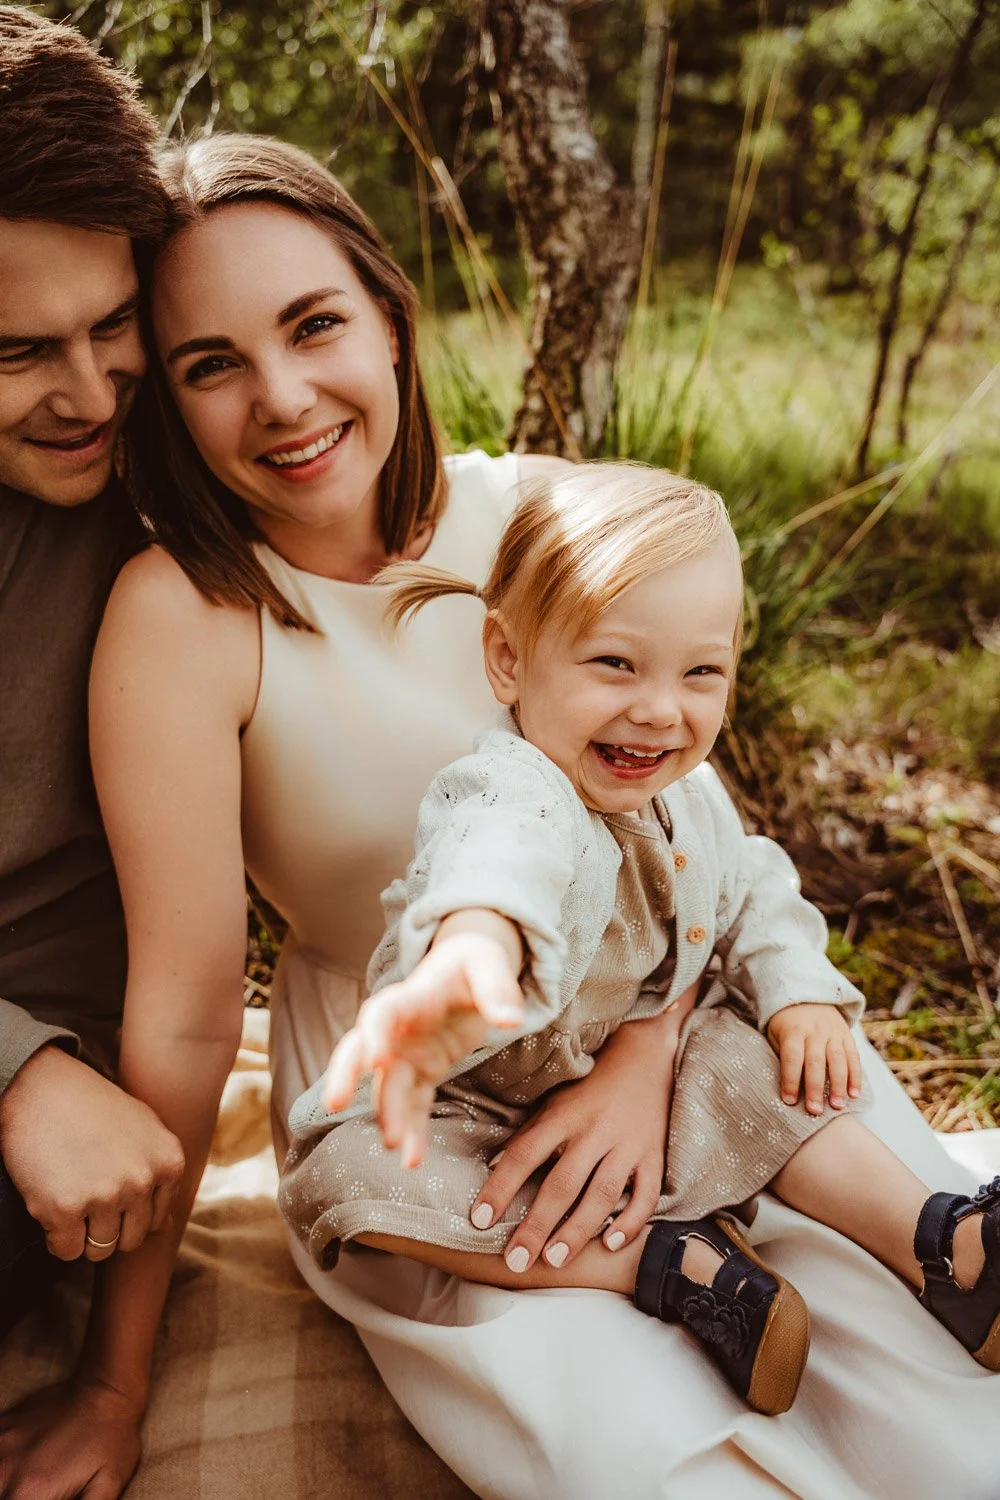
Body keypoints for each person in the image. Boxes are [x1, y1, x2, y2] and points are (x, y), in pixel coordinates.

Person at [29, 129, 1000, 1499]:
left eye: (316, 325)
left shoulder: (542, 514)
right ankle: (669, 1281)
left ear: (388, 312)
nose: (285, 397)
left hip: (680, 1010)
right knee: (639, 1445)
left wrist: (643, 1064)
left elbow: (685, 828)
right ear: (166, 401)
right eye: (211, 365)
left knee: (933, 1393)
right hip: (447, 1103)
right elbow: (188, 1014)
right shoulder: (186, 617)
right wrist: (111, 1384)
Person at [282, 463, 1000, 1420]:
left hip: (646, 1064)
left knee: (771, 1061)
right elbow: (498, 867)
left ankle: (945, 1246)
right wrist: (469, 959)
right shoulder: (514, 788)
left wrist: (798, 988)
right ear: (508, 658)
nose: (661, 708)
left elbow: (751, 879)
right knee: (342, 1175)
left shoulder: (683, 792)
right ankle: (666, 1266)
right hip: (480, 1109)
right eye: (615, 664)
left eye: (701, 672)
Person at [0, 4, 183, 1371]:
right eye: (14, 354)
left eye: (113, 324)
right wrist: (9, 1069)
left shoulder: (201, 450)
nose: (87, 395)